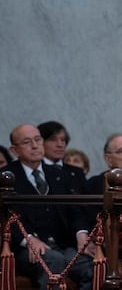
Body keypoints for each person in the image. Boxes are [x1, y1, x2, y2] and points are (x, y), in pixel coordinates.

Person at [1, 124, 93, 289]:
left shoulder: (59, 174)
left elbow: (75, 211)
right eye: (27, 142)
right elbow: (4, 217)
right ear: (14, 150)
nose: (35, 146)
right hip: (23, 249)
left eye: (38, 140)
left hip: (63, 245)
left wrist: (81, 234)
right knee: (54, 260)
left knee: (90, 265)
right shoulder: (6, 177)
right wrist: (28, 239)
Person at [37, 121, 86, 194]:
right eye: (53, 140)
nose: (60, 145)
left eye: (63, 140)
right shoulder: (36, 171)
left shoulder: (77, 172)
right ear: (40, 142)